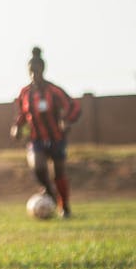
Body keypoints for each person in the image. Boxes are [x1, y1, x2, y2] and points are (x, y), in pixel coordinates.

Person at [11, 47, 81, 218]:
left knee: (59, 173)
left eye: (37, 70)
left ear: (43, 70)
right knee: (38, 167)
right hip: (36, 139)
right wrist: (17, 128)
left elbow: (74, 107)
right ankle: (50, 194)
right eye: (31, 71)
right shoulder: (25, 93)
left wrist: (67, 120)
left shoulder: (53, 91)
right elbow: (22, 115)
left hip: (56, 138)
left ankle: (65, 207)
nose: (34, 74)